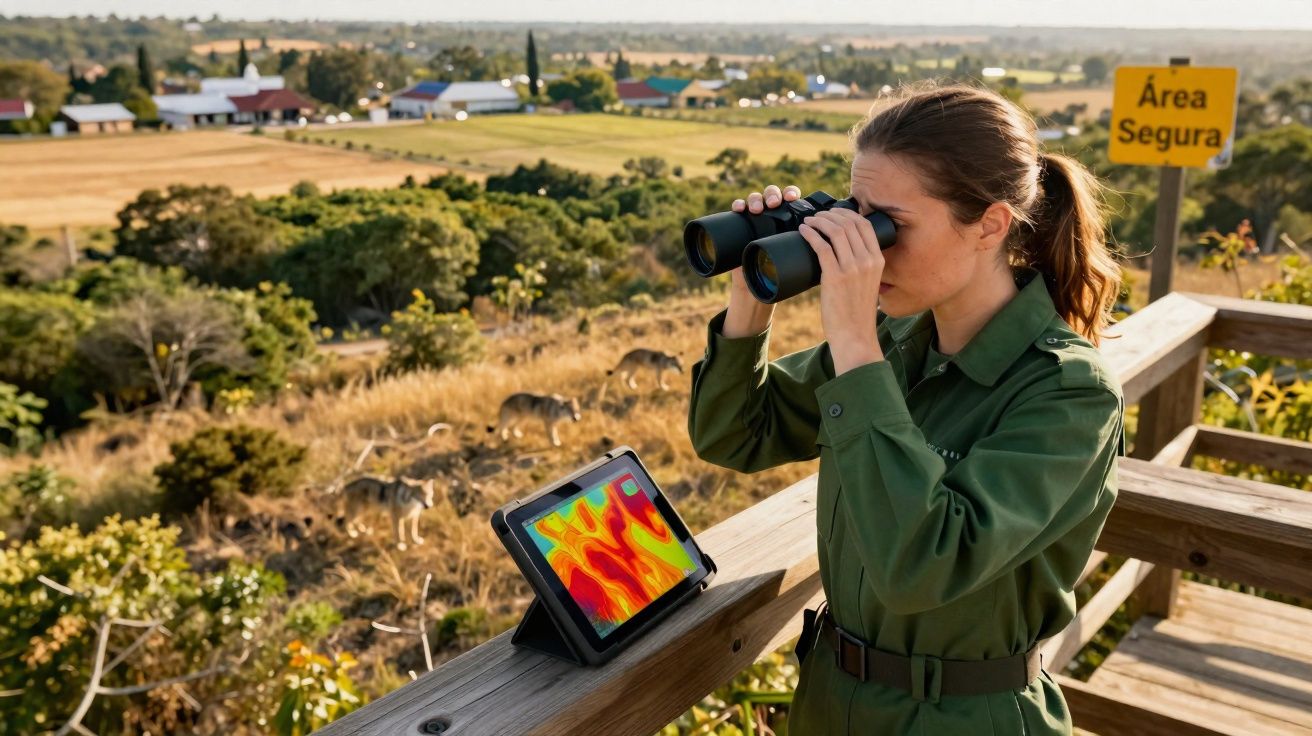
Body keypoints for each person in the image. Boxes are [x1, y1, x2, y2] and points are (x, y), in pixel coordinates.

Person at [686, 83, 1126, 735]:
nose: (868, 247)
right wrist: (752, 299)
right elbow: (735, 435)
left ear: (991, 225)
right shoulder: (897, 342)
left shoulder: (1067, 393)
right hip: (831, 703)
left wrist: (854, 339)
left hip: (964, 718)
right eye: (857, 216)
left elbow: (923, 566)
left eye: (890, 225)